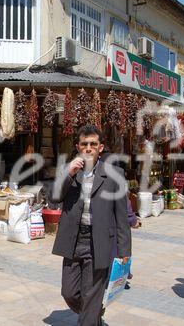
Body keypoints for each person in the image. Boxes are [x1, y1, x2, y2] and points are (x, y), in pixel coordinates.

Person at [51, 125, 132, 325]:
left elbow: (122, 216)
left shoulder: (115, 174)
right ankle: (94, 312)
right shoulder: (68, 170)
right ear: (77, 146)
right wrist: (69, 173)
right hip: (73, 240)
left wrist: (124, 250)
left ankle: (91, 315)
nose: (88, 148)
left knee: (91, 294)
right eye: (84, 144)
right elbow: (55, 197)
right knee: (69, 292)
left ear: (101, 147)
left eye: (93, 144)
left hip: (99, 243)